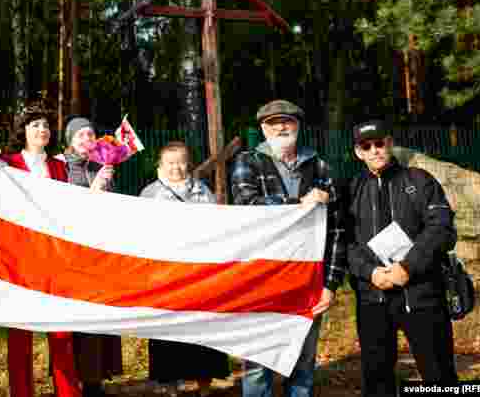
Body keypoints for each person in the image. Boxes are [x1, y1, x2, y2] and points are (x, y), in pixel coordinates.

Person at [228, 100, 345, 397]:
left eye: (287, 122)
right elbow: (247, 205)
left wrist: (330, 285)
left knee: (303, 362)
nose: (281, 127)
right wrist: (298, 204)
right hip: (261, 278)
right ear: (263, 129)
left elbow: (337, 230)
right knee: (257, 362)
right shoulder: (247, 161)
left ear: (298, 126)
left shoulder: (320, 166)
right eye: (273, 123)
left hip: (307, 279)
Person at [344, 120, 458, 396]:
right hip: (373, 297)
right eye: (366, 146)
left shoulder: (420, 180)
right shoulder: (350, 188)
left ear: (390, 144)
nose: (374, 151)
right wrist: (370, 272)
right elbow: (344, 242)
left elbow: (441, 229)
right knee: (376, 377)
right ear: (358, 152)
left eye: (379, 143)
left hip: (421, 293)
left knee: (439, 374)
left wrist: (408, 267)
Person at [0, 107, 82, 397]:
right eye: (35, 125)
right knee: (20, 336)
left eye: (45, 125)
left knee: (61, 335)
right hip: (20, 261)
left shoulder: (59, 166)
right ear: (24, 131)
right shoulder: (6, 163)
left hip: (54, 259)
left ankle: (68, 392)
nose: (42, 129)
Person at [139, 141, 230, 395]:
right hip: (164, 273)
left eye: (180, 161)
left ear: (187, 163)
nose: (176, 167)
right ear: (160, 164)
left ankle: (204, 382)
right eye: (170, 162)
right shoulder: (149, 194)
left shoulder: (203, 191)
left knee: (202, 327)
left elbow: (217, 225)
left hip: (198, 272)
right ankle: (170, 384)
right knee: (167, 329)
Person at [56, 116, 123, 397]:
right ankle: (71, 380)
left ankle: (96, 380)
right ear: (70, 140)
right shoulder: (59, 167)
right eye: (80, 135)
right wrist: (93, 191)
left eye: (91, 134)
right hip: (71, 256)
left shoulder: (101, 165)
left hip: (100, 253)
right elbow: (59, 209)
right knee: (76, 320)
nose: (87, 140)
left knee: (100, 317)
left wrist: (107, 188)